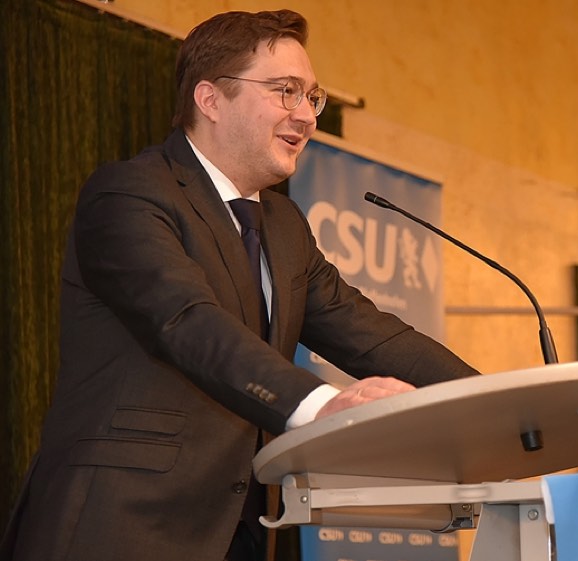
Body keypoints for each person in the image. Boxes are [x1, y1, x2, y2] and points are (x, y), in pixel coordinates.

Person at [0, 9, 479, 561]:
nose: (307, 115)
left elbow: (372, 336)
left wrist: (502, 407)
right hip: (120, 525)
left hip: (244, 531)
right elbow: (186, 320)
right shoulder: (129, 193)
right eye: (285, 91)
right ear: (210, 99)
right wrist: (320, 405)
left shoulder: (284, 226)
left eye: (312, 97)